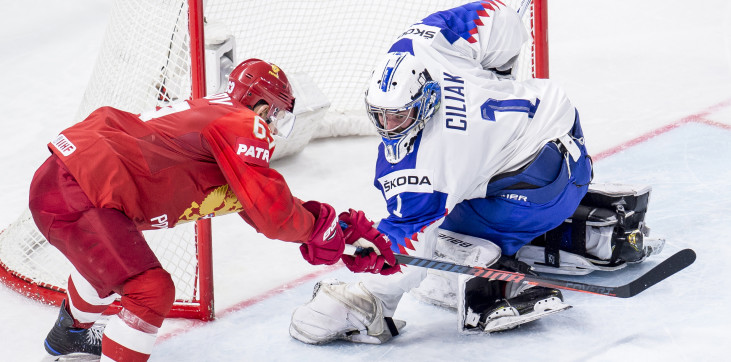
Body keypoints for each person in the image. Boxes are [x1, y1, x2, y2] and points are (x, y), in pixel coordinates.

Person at [289, 1, 659, 343]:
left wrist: (375, 263)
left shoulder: (434, 159)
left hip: (544, 189)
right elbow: (499, 16)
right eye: (381, 115)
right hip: (562, 132)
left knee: (441, 237)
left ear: (425, 98)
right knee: (454, 194)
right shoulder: (422, 46)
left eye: (399, 116)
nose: (389, 126)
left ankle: (486, 265)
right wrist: (494, 78)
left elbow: (412, 242)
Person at [30, 58, 399, 361]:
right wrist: (325, 234)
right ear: (262, 106)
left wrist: (334, 229)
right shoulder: (244, 124)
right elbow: (273, 215)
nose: (272, 126)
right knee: (150, 289)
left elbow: (258, 203)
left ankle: (70, 333)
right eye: (276, 115)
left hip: (66, 180)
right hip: (78, 189)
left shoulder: (214, 116)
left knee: (112, 262)